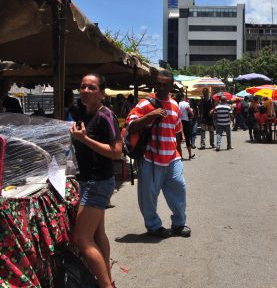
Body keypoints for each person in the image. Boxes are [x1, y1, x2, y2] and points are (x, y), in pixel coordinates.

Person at [69, 73, 121, 288]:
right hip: (89, 180)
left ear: (101, 93)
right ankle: (108, 279)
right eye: (82, 87)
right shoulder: (85, 114)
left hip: (97, 183)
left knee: (82, 239)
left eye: (91, 88)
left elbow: (116, 152)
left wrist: (84, 139)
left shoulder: (105, 115)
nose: (85, 91)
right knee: (98, 234)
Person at [126, 70, 190, 238]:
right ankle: (153, 226)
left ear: (171, 86)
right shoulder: (145, 103)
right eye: (158, 84)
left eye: (165, 85)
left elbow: (177, 131)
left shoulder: (175, 105)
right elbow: (130, 126)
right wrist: (150, 116)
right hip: (151, 157)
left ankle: (179, 224)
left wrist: (180, 153)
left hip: (172, 157)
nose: (161, 87)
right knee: (148, 194)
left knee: (179, 189)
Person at [177, 93, 195, 160]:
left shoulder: (177, 104)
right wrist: (191, 117)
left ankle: (180, 155)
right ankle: (190, 155)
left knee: (179, 139)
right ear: (183, 97)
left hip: (179, 121)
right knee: (187, 138)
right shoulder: (186, 104)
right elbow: (191, 113)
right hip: (186, 122)